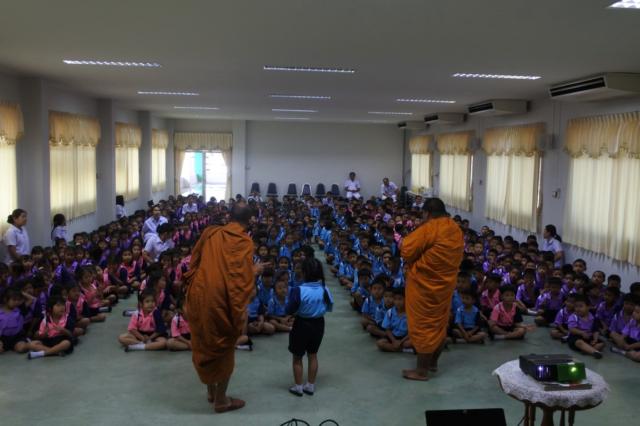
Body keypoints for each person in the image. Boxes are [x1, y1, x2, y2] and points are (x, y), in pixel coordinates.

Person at [185, 202, 265, 413]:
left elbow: (194, 262)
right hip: (221, 299)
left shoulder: (210, 233)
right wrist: (254, 270)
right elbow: (239, 278)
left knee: (205, 341)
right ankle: (221, 400)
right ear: (250, 221)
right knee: (224, 348)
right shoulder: (244, 241)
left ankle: (211, 391)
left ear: (229, 216)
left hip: (200, 294)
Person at [399, 198, 464, 381]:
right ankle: (433, 363)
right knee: (439, 324)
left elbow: (406, 250)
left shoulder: (430, 228)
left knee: (424, 326)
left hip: (424, 286)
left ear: (426, 213)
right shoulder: (455, 229)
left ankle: (421, 371)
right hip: (445, 286)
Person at [285, 257, 333, 397]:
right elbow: (329, 307)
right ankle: (310, 385)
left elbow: (289, 309)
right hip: (319, 324)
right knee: (313, 355)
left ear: (304, 272)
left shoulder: (298, 290)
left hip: (301, 324)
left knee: (297, 357)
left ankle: (298, 387)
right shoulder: (324, 289)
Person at [567, 294, 604, 359]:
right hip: (576, 337)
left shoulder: (592, 317)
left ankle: (587, 349)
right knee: (579, 342)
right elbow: (571, 329)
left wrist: (595, 339)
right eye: (576, 306)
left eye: (581, 306)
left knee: (602, 344)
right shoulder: (574, 316)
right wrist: (581, 333)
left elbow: (595, 330)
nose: (578, 309)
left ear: (588, 307)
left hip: (589, 337)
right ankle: (594, 352)